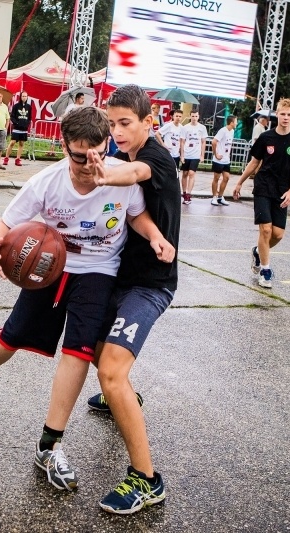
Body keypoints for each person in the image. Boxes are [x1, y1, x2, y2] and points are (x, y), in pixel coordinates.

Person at [0, 106, 174, 494]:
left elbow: (136, 216)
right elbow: (6, 222)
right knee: (11, 338)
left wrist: (154, 236)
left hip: (98, 272)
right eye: (79, 156)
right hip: (50, 266)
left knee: (79, 352)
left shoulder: (120, 178)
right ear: (64, 148)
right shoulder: (46, 183)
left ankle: (49, 446)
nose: (88, 164)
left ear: (106, 144)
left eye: (96, 154)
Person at [87, 84, 181, 514]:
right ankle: (122, 395)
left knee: (111, 370)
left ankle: (147, 480)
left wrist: (105, 172)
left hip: (151, 284)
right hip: (119, 275)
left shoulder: (155, 159)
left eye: (125, 123)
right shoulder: (121, 154)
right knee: (89, 343)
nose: (117, 131)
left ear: (149, 121)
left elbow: (136, 175)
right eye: (112, 124)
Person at [233, 97, 290, 289]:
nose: (286, 117)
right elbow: (254, 163)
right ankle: (265, 270)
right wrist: (239, 183)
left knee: (278, 234)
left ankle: (258, 251)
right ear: (276, 115)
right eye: (282, 114)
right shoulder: (266, 137)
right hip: (263, 186)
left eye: (289, 115)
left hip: (282, 190)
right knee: (265, 230)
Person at [179, 111, 207, 204]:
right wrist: (182, 155)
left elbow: (203, 142)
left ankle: (188, 194)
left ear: (198, 116)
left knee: (191, 173)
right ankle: (183, 192)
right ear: (190, 116)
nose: (194, 118)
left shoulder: (202, 128)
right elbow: (182, 141)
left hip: (196, 154)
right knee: (185, 173)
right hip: (187, 154)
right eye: (193, 116)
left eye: (196, 116)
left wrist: (202, 155)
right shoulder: (185, 127)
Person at [210, 115, 236, 206]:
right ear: (231, 122)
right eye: (236, 121)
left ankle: (220, 197)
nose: (236, 123)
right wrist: (216, 154)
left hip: (226, 159)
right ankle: (214, 197)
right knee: (216, 178)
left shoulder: (232, 131)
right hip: (218, 159)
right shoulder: (222, 131)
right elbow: (213, 142)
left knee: (226, 178)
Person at [4, 91, 32, 166]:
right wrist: (16, 123)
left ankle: (18, 159)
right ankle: (6, 158)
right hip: (16, 128)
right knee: (12, 142)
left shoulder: (29, 107)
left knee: (21, 143)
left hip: (24, 129)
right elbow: (12, 116)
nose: (24, 98)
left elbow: (29, 118)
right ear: (20, 97)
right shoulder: (16, 106)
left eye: (25, 96)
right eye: (23, 96)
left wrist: (27, 124)